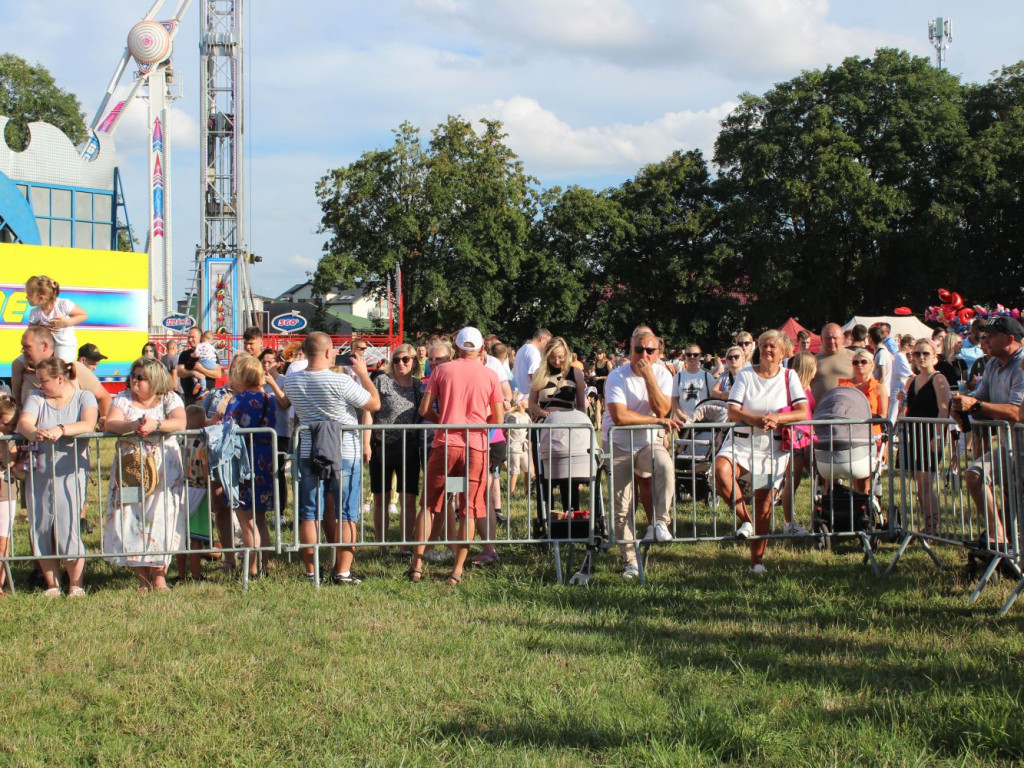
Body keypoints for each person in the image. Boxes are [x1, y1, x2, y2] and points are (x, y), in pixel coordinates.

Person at [277, 332, 380, 585]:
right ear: (326, 352)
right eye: (333, 350)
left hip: (308, 450)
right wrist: (364, 374)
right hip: (344, 451)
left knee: (309, 512)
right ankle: (342, 571)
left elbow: (287, 404)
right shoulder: (340, 382)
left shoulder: (292, 382)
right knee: (346, 512)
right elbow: (374, 404)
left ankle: (312, 572)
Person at [412, 327, 503, 585]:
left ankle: (417, 565)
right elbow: (497, 418)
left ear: (457, 346)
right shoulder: (489, 375)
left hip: (445, 442)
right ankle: (457, 570)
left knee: (429, 505)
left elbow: (424, 408)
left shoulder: (441, 370)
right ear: (482, 348)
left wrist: (443, 420)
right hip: (476, 445)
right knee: (470, 509)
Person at [715, 330, 808, 575]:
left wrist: (778, 418)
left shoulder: (790, 376)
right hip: (742, 442)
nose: (767, 350)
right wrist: (755, 419)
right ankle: (745, 519)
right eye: (764, 345)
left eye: (773, 347)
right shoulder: (746, 373)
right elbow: (732, 411)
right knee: (721, 471)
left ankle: (756, 561)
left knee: (764, 502)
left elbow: (802, 412)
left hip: (772, 447)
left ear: (783, 352)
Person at [103, 357, 187, 593]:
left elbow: (181, 421)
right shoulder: (122, 398)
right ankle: (142, 578)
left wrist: (155, 424)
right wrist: (135, 425)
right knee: (130, 516)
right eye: (133, 375)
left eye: (141, 377)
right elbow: (111, 423)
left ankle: (160, 576)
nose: (135, 380)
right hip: (130, 469)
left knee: (162, 517)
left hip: (164, 469)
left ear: (155, 380)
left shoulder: (170, 398)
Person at [603, 329, 682, 579]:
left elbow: (663, 408)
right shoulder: (617, 376)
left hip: (649, 442)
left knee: (665, 466)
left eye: (650, 350)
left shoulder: (662, 374)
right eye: (639, 350)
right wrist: (654, 420)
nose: (644, 355)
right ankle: (630, 562)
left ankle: (660, 521)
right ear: (630, 350)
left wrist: (649, 375)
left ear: (659, 353)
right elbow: (620, 416)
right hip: (618, 443)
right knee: (622, 506)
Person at [17, 357, 99, 597]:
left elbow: (89, 423)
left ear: (60, 378)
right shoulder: (36, 398)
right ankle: (53, 585)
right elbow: (24, 423)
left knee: (68, 527)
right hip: (39, 472)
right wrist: (34, 432)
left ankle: (76, 583)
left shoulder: (84, 397)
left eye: (44, 381)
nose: (40, 385)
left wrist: (61, 429)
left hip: (71, 473)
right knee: (40, 527)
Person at [952, 317, 1024, 549]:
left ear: (1010, 339)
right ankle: (998, 537)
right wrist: (961, 406)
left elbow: (1016, 412)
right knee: (975, 475)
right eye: (985, 335)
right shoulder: (992, 364)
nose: (986, 340)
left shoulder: (1022, 366)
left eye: (991, 335)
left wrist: (974, 406)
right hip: (1010, 446)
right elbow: (978, 398)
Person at [223, 353, 277, 580]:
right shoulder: (269, 399)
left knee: (246, 521)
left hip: (242, 462)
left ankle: (251, 568)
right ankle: (264, 563)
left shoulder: (237, 400)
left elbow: (226, 429)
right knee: (261, 520)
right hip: (265, 461)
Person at [364, 343, 422, 550]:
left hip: (409, 448)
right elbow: (368, 412)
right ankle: (382, 544)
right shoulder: (381, 381)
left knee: (408, 499)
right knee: (380, 497)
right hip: (381, 445)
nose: (400, 363)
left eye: (406, 359)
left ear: (414, 362)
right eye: (396, 359)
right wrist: (366, 443)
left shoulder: (419, 387)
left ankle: (406, 545)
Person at [897, 339, 951, 534]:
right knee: (918, 481)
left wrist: (937, 438)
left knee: (926, 481)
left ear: (934, 357)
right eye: (917, 353)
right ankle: (927, 523)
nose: (921, 357)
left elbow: (944, 410)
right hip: (912, 435)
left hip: (930, 435)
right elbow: (905, 408)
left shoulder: (938, 379)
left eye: (925, 353)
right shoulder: (911, 380)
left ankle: (932, 526)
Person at [528, 336, 588, 514]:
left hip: (568, 430)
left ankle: (571, 516)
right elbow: (531, 403)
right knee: (544, 477)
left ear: (567, 354)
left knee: (568, 478)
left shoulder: (576, 373)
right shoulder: (540, 373)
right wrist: (543, 414)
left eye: (560, 357)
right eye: (553, 357)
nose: (557, 361)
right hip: (544, 428)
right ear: (546, 356)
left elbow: (581, 406)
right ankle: (545, 518)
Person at [15, 327, 110, 427]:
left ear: (45, 346)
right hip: (34, 440)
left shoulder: (72, 367)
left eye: (27, 347)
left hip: (72, 441)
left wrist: (105, 419)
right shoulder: (20, 369)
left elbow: (104, 397)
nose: (22, 350)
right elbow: (16, 405)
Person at [838, 347, 889, 494]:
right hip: (851, 437)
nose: (859, 365)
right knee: (858, 479)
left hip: (873, 437)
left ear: (872, 365)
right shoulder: (844, 386)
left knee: (870, 479)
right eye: (855, 362)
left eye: (863, 361)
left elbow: (883, 415)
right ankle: (861, 509)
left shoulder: (879, 388)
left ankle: (870, 507)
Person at [779, 350, 817, 535]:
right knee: (792, 481)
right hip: (796, 437)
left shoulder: (806, 386)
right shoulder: (795, 388)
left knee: (814, 477)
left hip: (807, 437)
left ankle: (819, 515)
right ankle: (789, 523)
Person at [25, 275, 87, 363]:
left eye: (29, 295)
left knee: (59, 365)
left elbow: (83, 315)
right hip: (45, 346)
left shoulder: (63, 304)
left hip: (64, 344)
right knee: (18, 364)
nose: (26, 297)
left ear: (41, 297)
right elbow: (31, 332)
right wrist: (43, 329)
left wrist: (66, 322)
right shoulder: (35, 312)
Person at [810, 322, 854, 403]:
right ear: (821, 339)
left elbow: (869, 383)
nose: (832, 341)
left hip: (847, 410)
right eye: (828, 338)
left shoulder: (855, 358)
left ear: (843, 339)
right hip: (820, 411)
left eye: (835, 338)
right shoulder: (812, 360)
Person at [177, 327, 222, 406]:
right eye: (188, 337)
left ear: (200, 338)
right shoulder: (184, 354)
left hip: (206, 397)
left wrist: (201, 370)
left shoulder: (210, 353)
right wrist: (193, 373)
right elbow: (180, 372)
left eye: (192, 337)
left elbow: (218, 374)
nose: (190, 340)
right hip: (189, 397)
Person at [0, 396, 18, 596]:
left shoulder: (11, 439)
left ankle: (0, 584)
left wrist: (3, 442)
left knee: (3, 539)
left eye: (14, 423)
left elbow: (9, 463)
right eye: (6, 423)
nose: (10, 428)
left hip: (6, 490)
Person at [671, 344, 716, 419]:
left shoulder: (707, 376)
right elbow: (674, 399)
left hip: (703, 421)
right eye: (689, 355)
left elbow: (713, 399)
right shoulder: (677, 377)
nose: (692, 357)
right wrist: (681, 415)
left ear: (699, 356)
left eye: (695, 355)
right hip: (683, 422)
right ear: (684, 356)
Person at [512, 328, 552, 397]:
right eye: (547, 342)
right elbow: (534, 376)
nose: (547, 346)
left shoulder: (522, 349)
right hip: (527, 396)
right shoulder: (534, 352)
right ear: (542, 339)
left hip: (517, 394)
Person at [589, 349, 611, 428]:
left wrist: (600, 378)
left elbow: (612, 375)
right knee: (597, 406)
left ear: (604, 354)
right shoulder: (596, 363)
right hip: (598, 386)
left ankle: (606, 424)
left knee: (606, 407)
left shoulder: (607, 363)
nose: (598, 355)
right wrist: (593, 377)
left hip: (606, 385)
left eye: (600, 354)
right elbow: (595, 374)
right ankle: (599, 426)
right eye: (597, 354)